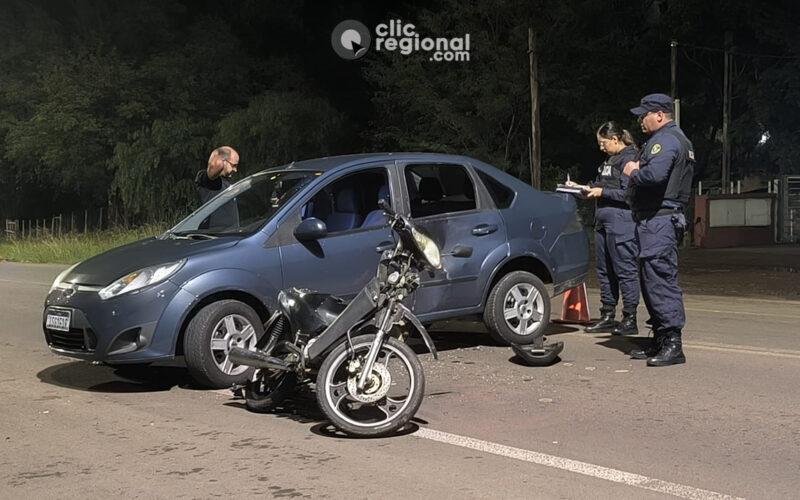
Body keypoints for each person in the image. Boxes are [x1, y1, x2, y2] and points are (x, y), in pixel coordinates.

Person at [622, 93, 694, 367]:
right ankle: (661, 340)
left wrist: (632, 171)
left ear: (660, 115)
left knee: (660, 280)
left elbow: (654, 176)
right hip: (658, 220)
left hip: (660, 221)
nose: (640, 120)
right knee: (652, 280)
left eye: (645, 115)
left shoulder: (664, 140)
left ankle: (673, 344)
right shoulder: (676, 139)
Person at [580, 122, 641, 336]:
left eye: (603, 143)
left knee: (625, 271)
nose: (601, 147)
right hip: (604, 222)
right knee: (605, 271)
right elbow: (600, 185)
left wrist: (601, 192)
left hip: (621, 223)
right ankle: (607, 314)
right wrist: (583, 189)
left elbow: (628, 195)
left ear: (615, 139)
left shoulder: (630, 159)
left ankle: (630, 318)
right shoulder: (609, 161)